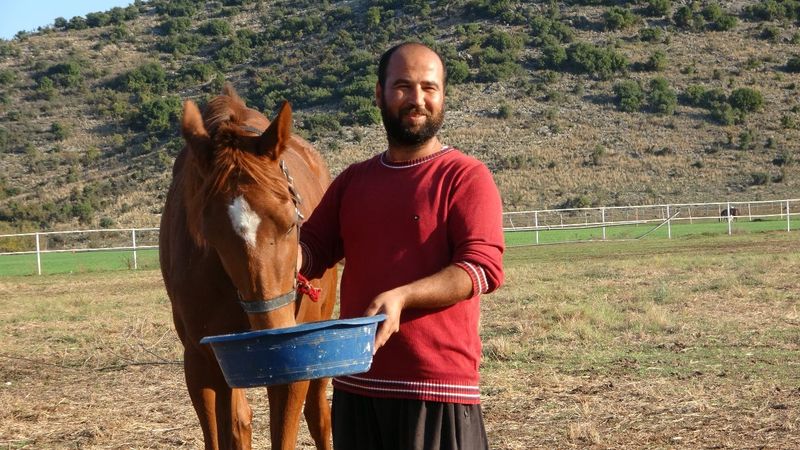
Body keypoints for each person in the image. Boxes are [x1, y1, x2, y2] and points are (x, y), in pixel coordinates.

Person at [298, 42, 505, 450]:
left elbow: (481, 268)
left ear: (443, 96)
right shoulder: (353, 181)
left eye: (429, 87)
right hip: (356, 385)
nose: (417, 100)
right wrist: (266, 254)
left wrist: (404, 296)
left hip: (436, 389)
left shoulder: (465, 177)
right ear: (378, 93)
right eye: (403, 86)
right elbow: (310, 249)